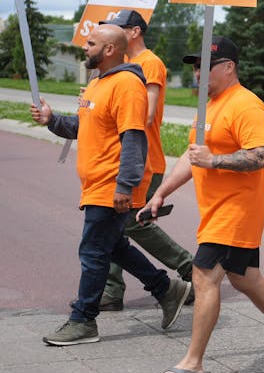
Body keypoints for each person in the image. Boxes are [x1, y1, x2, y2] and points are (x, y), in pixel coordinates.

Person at [145, 36, 264, 373]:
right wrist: (161, 192)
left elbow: (262, 155)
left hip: (236, 209)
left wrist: (215, 160)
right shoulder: (207, 106)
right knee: (246, 278)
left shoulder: (245, 105)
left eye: (206, 66)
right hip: (216, 210)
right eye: (195, 66)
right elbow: (191, 156)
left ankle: (192, 363)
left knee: (204, 274)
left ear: (228, 67)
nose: (198, 72)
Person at [31, 24, 191, 346]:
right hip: (96, 185)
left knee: (92, 251)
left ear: (109, 50)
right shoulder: (97, 84)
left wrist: (125, 186)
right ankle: (166, 289)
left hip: (110, 184)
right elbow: (82, 126)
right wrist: (51, 120)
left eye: (91, 43)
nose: (84, 48)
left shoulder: (128, 85)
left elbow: (134, 138)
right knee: (114, 246)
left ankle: (83, 320)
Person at [98, 10, 194, 311]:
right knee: (110, 224)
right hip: (119, 157)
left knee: (133, 222)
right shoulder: (121, 66)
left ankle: (190, 268)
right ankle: (112, 291)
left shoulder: (149, 63)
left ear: (134, 32)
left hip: (143, 159)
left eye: (117, 29)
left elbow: (147, 114)